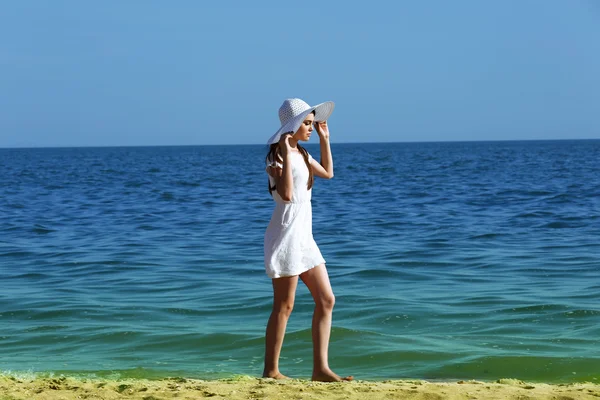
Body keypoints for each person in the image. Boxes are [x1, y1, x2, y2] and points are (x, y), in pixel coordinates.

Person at [262, 98, 353, 382]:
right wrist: (287, 155)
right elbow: (287, 195)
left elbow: (328, 173)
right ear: (292, 125)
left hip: (304, 238)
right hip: (286, 236)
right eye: (308, 124)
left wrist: (326, 140)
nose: (311, 129)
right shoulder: (277, 157)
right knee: (284, 306)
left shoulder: (301, 153)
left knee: (327, 299)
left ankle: (320, 369)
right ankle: (271, 371)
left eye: (313, 124)